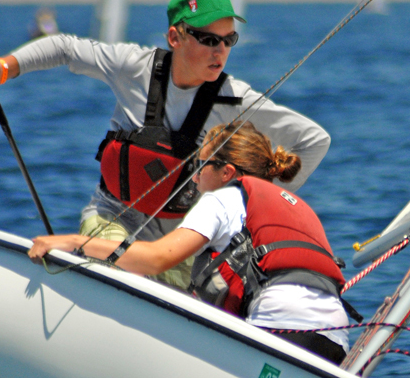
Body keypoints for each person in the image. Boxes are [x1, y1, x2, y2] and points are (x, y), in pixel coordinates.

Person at [0, 0, 331, 289]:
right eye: (207, 39)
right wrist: (4, 69)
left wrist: (251, 200)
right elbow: (64, 48)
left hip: (181, 243)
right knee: (111, 268)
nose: (220, 50)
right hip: (112, 219)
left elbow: (314, 140)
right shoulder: (133, 66)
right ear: (175, 36)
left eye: (228, 39)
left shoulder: (235, 98)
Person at [28, 122, 351, 363]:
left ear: (226, 172)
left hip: (278, 330)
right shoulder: (296, 207)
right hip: (337, 341)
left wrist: (72, 242)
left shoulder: (224, 199)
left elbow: (156, 258)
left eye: (200, 166)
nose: (193, 177)